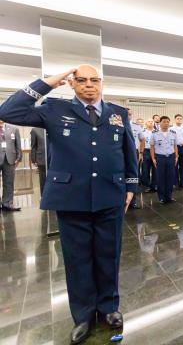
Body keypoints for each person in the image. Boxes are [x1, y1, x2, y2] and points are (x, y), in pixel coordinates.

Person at [0, 66, 137, 343]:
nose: (89, 85)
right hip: (71, 196)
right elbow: (8, 111)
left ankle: (109, 307)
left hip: (110, 192)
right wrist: (48, 83)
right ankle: (83, 315)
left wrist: (131, 186)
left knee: (109, 254)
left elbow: (127, 149)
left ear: (102, 83)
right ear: (72, 84)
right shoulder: (54, 108)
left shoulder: (117, 113)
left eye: (95, 80)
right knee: (77, 259)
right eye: (82, 80)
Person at [150, 116, 178, 203]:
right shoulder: (154, 133)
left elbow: (175, 146)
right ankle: (161, 197)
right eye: (164, 122)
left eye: (167, 122)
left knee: (170, 177)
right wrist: (153, 158)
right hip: (160, 157)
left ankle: (169, 196)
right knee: (160, 178)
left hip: (171, 157)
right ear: (160, 123)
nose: (166, 123)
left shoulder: (173, 133)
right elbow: (152, 146)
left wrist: (176, 156)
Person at [0, 120, 22, 211]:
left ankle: (7, 203)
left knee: (9, 182)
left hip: (10, 159)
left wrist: (19, 157)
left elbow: (18, 145)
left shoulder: (14, 128)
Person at [128, 109, 144, 209]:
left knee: (133, 175)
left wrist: (141, 153)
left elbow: (142, 140)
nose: (128, 116)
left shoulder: (136, 127)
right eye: (126, 114)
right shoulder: (116, 124)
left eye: (130, 114)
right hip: (119, 153)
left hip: (134, 152)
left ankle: (132, 201)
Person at [30, 127, 47, 198]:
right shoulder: (35, 130)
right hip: (41, 159)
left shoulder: (52, 126)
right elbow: (33, 146)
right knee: (43, 180)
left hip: (53, 158)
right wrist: (34, 159)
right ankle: (43, 197)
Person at [172, 114, 183, 189]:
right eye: (178, 118)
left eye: (180, 118)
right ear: (175, 119)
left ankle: (182, 183)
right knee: (175, 165)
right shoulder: (171, 129)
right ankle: (175, 182)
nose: (179, 120)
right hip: (174, 148)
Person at [141, 119, 157, 193]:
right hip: (146, 151)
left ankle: (154, 185)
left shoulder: (157, 132)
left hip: (156, 152)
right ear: (146, 123)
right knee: (145, 170)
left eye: (152, 121)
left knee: (155, 169)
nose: (150, 122)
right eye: (149, 121)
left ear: (154, 123)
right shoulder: (142, 132)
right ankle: (147, 186)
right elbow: (140, 143)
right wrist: (141, 153)